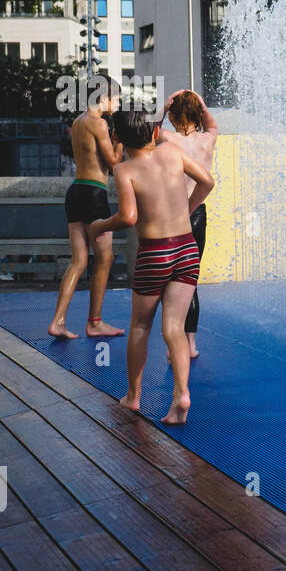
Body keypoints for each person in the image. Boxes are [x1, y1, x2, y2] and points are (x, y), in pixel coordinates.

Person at [89, 109, 215, 425]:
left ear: (117, 138)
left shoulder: (125, 170)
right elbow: (207, 181)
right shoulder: (172, 153)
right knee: (174, 328)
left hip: (155, 253)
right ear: (154, 134)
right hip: (186, 248)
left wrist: (101, 225)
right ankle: (182, 394)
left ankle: (133, 396)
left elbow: (129, 217)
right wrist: (187, 209)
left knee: (141, 326)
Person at [48, 76, 127, 340]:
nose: (117, 102)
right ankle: (95, 322)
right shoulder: (99, 123)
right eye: (115, 98)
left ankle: (58, 321)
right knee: (105, 258)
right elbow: (114, 164)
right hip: (94, 194)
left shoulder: (78, 121)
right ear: (103, 97)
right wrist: (121, 140)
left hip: (76, 192)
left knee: (79, 261)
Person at [159, 90, 218, 360]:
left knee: (172, 281)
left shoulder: (168, 139)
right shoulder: (208, 139)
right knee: (190, 281)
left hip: (174, 215)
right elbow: (213, 123)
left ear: (175, 115)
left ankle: (176, 343)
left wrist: (164, 105)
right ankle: (190, 344)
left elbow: (148, 130)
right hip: (197, 214)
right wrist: (200, 103)